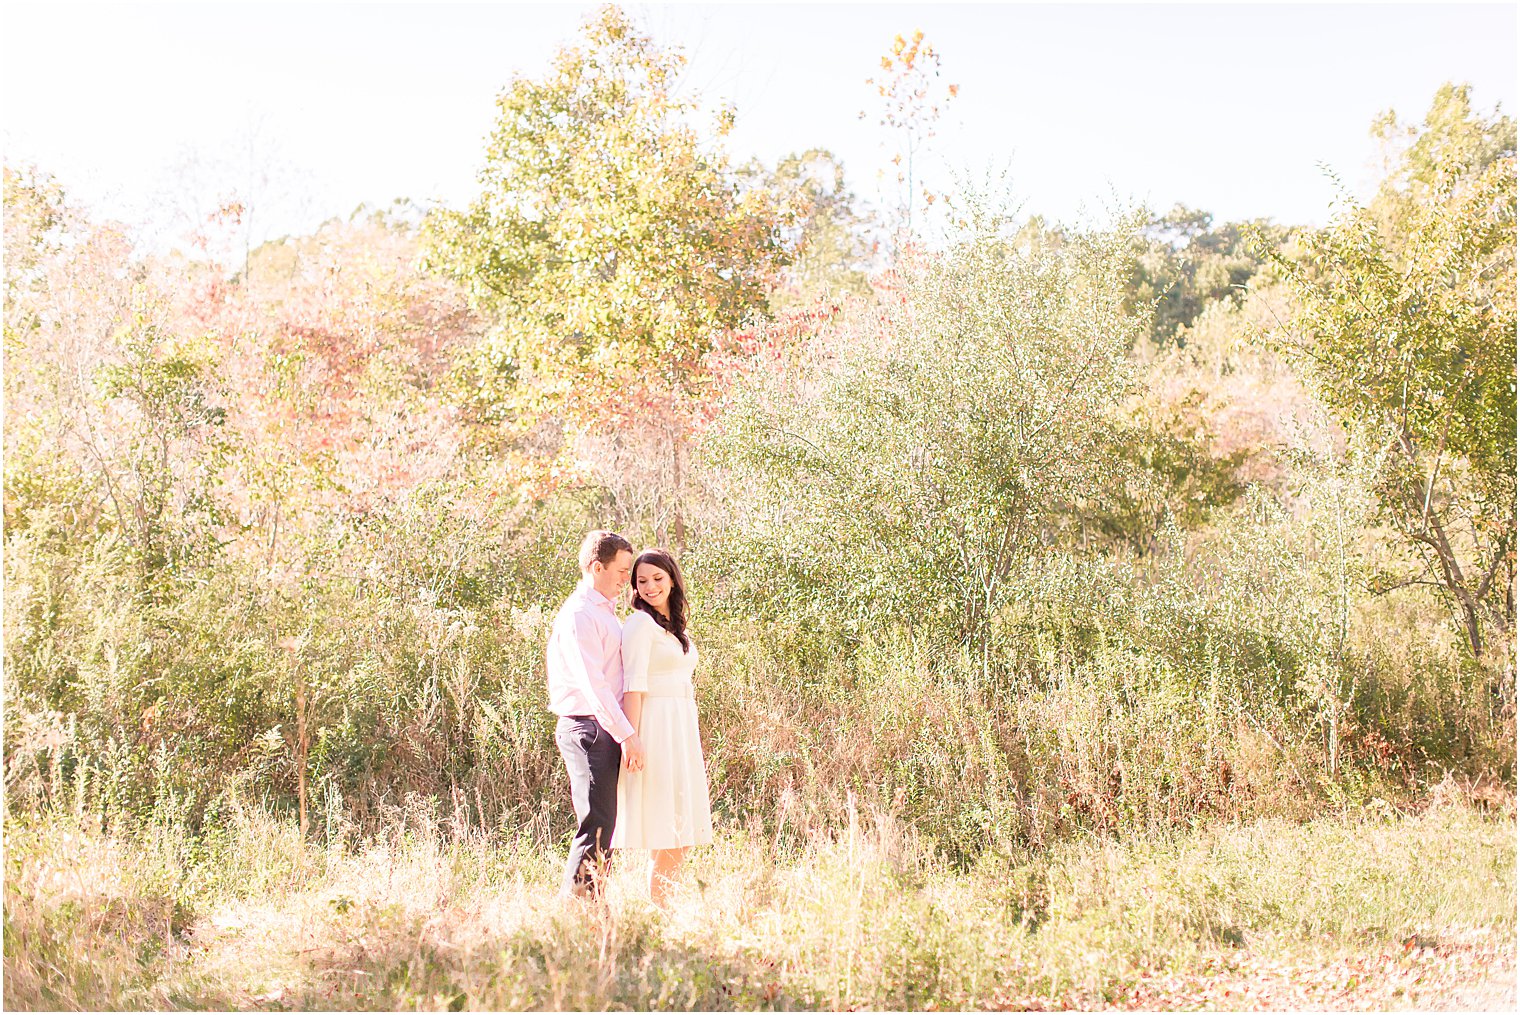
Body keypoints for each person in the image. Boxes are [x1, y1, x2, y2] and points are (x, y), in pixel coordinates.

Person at [611, 548, 714, 906]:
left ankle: (661, 909)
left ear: (672, 579)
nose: (651, 586)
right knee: (670, 827)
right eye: (642, 581)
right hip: (656, 727)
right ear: (635, 589)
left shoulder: (671, 626)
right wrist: (632, 740)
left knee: (676, 824)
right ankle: (662, 910)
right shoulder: (640, 624)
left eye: (657, 578)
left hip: (680, 724)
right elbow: (633, 687)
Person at [546, 530, 645, 899]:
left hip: (600, 728)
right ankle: (575, 912)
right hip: (587, 729)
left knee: (605, 824)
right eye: (620, 571)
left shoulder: (604, 611)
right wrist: (626, 734)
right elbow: (594, 686)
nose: (626, 578)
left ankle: (592, 907)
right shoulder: (579, 615)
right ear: (595, 566)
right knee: (596, 824)